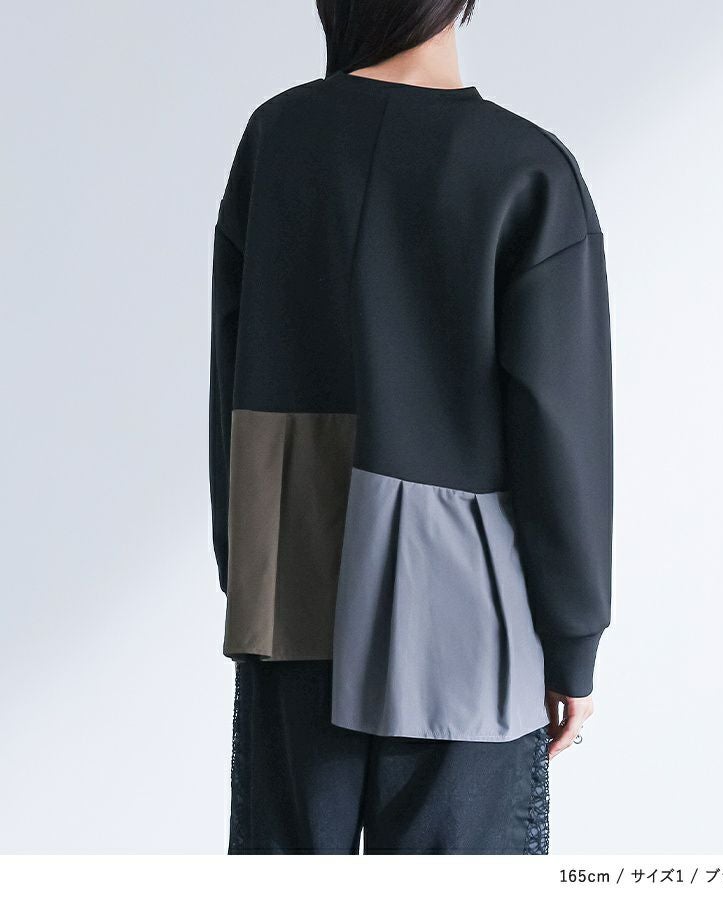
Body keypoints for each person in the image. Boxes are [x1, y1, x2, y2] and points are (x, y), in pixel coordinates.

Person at [210, 0, 612, 855]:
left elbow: (230, 375)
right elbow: (559, 429)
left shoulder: (278, 139)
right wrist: (573, 639)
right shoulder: (524, 167)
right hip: (463, 618)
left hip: (291, 598)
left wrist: (244, 567)